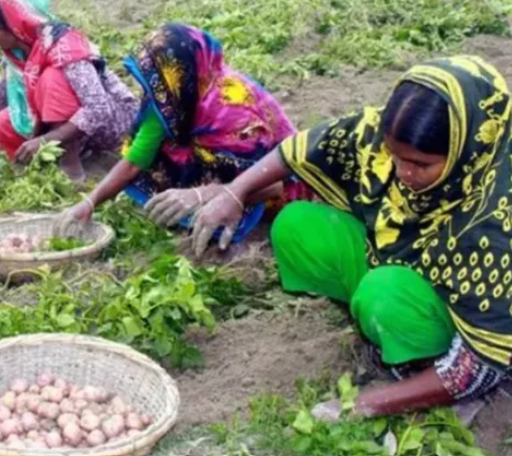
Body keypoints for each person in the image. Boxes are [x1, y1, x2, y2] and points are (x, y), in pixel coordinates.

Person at [187, 56, 512, 420]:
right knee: (297, 225)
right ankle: (383, 327)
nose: (402, 173)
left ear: (466, 147)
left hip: (464, 327)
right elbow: (302, 149)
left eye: (420, 164)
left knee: (383, 293)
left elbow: (483, 362)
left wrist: (365, 404)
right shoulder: (383, 134)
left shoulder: (498, 215)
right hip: (398, 268)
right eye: (395, 156)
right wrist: (234, 192)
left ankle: (425, 364)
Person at [57, 24, 309, 242]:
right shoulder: (169, 99)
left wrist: (203, 194)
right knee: (171, 151)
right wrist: (89, 203)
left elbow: (275, 182)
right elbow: (135, 161)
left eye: (161, 82)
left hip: (275, 189)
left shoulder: (235, 111)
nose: (155, 93)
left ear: (184, 76)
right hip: (224, 175)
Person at [0, 0, 137, 181]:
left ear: (13, 25)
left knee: (51, 79)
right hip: (73, 125)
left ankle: (70, 162)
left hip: (111, 124)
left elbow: (99, 109)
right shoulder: (19, 49)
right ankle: (59, 153)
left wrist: (46, 139)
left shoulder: (65, 47)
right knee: (3, 124)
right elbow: (5, 85)